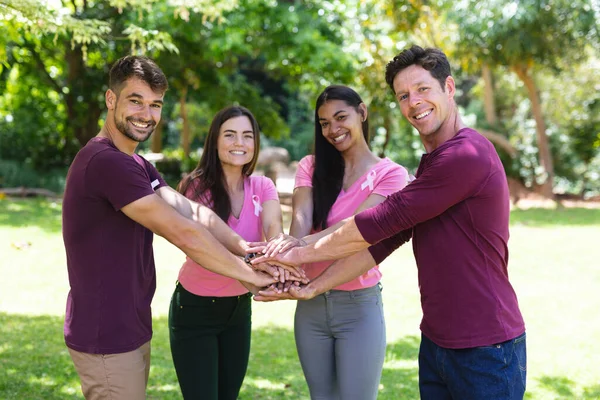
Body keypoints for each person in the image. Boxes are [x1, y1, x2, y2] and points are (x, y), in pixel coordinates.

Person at [252, 46, 527, 400]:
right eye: (403, 96)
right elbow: (385, 242)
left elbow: (380, 222)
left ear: (449, 87)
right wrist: (314, 288)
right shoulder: (432, 163)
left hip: (486, 348)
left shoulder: (466, 155)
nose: (414, 102)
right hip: (437, 342)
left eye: (423, 89)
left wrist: (295, 252)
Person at [61, 56, 281, 400]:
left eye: (155, 105)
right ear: (110, 99)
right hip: (106, 333)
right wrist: (252, 277)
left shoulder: (136, 163)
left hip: (128, 325)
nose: (146, 114)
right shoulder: (106, 162)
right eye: (135, 101)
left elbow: (192, 212)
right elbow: (182, 231)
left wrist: (245, 248)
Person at [254, 85, 410, 400]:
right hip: (309, 306)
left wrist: (297, 250)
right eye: (324, 123)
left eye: (341, 117)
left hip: (358, 308)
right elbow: (301, 217)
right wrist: (286, 247)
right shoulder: (310, 166)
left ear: (362, 113)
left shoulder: (391, 175)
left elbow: (354, 229)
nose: (333, 129)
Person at [168, 106, 299, 399]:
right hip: (195, 309)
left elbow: (274, 229)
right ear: (215, 141)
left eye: (247, 136)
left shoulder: (263, 185)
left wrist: (278, 260)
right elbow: (206, 245)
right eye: (230, 135)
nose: (239, 143)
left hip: (239, 309)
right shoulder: (195, 187)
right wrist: (256, 264)